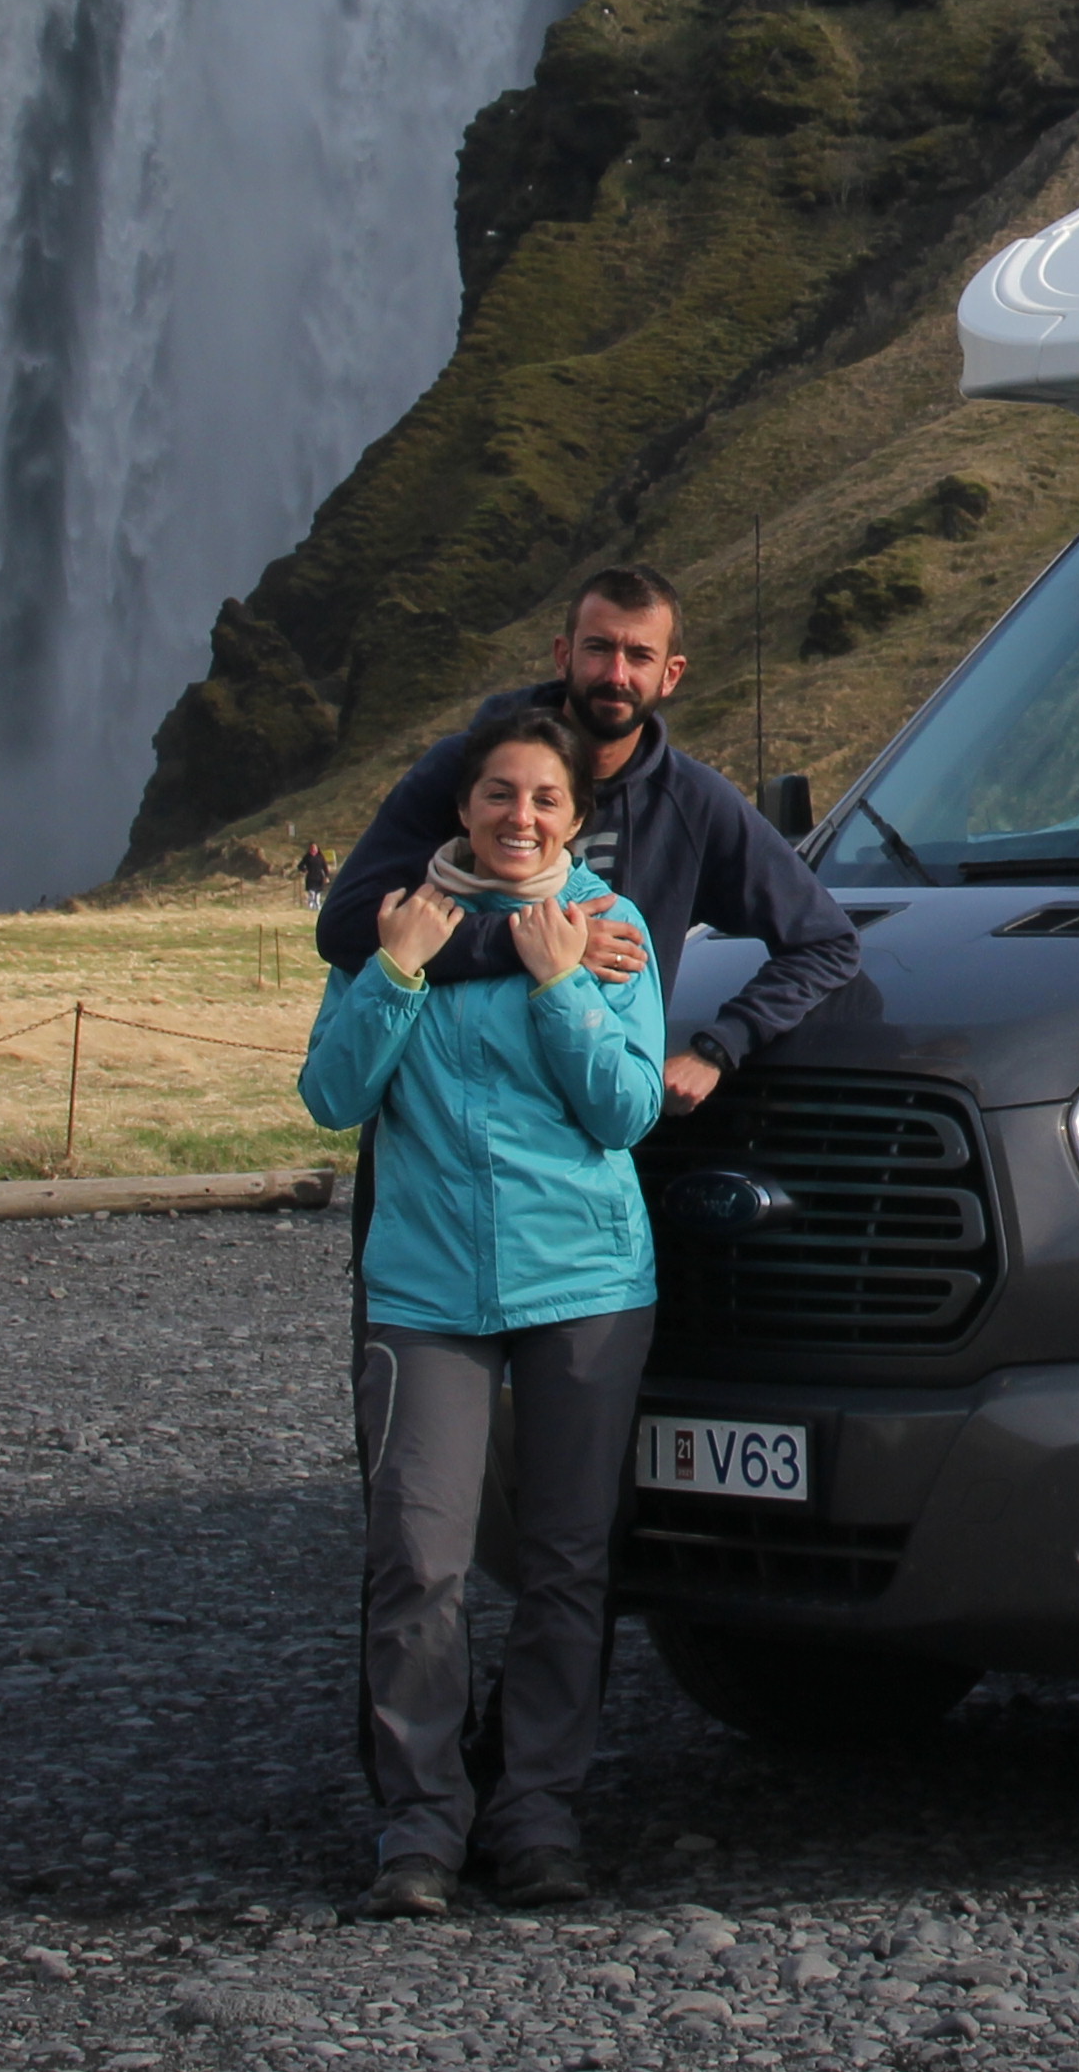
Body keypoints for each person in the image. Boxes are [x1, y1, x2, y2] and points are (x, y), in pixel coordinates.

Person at [300, 704, 667, 1919]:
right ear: (460, 807)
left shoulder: (611, 935)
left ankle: (539, 1812)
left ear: (577, 817)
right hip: (427, 1290)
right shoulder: (399, 928)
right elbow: (334, 1092)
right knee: (418, 1559)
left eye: (546, 799)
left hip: (587, 1283)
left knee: (569, 1563)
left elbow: (626, 1111)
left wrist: (562, 986)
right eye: (499, 794)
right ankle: (422, 1821)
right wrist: (398, 972)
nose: (521, 817)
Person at [312, 565, 865, 1112]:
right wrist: (528, 944)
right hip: (432, 1148)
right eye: (598, 648)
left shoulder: (693, 803)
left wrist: (720, 1048)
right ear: (563, 654)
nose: (616, 674)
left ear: (671, 674)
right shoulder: (463, 772)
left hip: (589, 1143)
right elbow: (345, 928)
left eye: (640, 656)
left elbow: (825, 942)